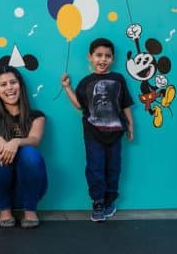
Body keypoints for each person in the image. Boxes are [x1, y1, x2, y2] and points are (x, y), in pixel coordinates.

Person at [60, 37, 134, 222]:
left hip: (115, 133)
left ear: (113, 59)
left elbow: (125, 104)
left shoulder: (118, 79)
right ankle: (98, 202)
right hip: (93, 134)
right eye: (98, 55)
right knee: (95, 168)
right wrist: (67, 87)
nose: (102, 59)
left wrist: (131, 125)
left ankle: (110, 200)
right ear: (90, 57)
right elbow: (79, 105)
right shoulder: (86, 82)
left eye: (107, 56)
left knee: (114, 168)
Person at [0, 65, 47, 229]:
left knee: (30, 152)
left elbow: (35, 140)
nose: (9, 88)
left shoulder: (37, 116)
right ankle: (5, 211)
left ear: (20, 85)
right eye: (3, 84)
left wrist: (16, 141)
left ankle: (30, 210)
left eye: (13, 82)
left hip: (28, 190)